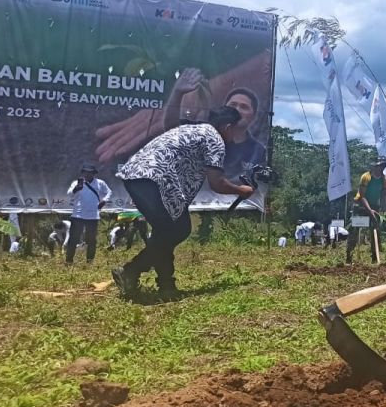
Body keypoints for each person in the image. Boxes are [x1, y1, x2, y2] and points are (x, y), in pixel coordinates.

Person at [110, 107, 255, 299]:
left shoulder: (193, 129)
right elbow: (217, 183)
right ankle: (131, 270)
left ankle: (166, 286)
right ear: (228, 127)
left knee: (166, 231)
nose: (236, 137)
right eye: (236, 131)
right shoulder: (215, 139)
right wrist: (242, 190)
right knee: (178, 229)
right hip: (157, 178)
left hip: (135, 176)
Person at [161, 69, 268, 177]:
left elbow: (258, 185)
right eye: (233, 105)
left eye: (244, 107)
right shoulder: (205, 132)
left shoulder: (258, 152)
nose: (237, 109)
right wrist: (177, 93)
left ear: (254, 116)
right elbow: (172, 129)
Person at [65, 162, 112, 265]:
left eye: (90, 173)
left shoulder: (100, 183)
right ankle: (69, 261)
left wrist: (104, 200)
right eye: (85, 172)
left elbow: (109, 192)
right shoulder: (76, 183)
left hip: (93, 216)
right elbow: (69, 195)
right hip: (78, 215)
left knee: (91, 241)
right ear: (83, 173)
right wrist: (76, 189)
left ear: (94, 173)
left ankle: (90, 262)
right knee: (73, 239)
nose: (87, 174)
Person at [347, 157, 386, 264]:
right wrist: (370, 211)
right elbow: (362, 196)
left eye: (382, 167)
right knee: (355, 230)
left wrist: (382, 209)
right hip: (361, 205)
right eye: (378, 166)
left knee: (375, 230)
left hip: (374, 206)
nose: (380, 169)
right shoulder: (366, 177)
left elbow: (384, 195)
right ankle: (349, 256)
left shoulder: (384, 179)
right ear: (374, 166)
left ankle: (375, 258)